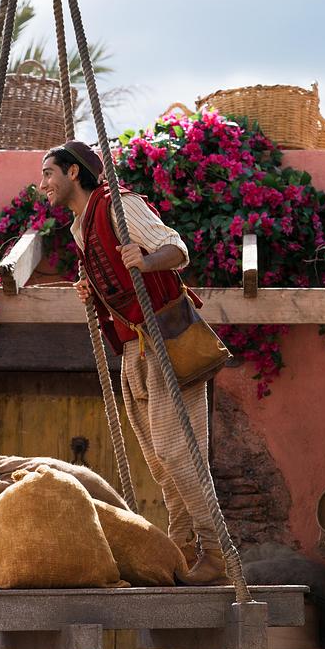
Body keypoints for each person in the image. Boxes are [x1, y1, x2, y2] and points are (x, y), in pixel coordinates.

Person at [39, 140, 228, 586]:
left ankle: (218, 551)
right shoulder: (80, 226)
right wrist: (94, 289)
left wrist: (146, 260)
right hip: (133, 349)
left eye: (48, 173)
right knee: (160, 463)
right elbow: (116, 278)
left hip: (165, 343)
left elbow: (176, 248)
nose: (42, 183)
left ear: (73, 172)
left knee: (177, 453)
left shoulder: (118, 205)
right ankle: (182, 549)